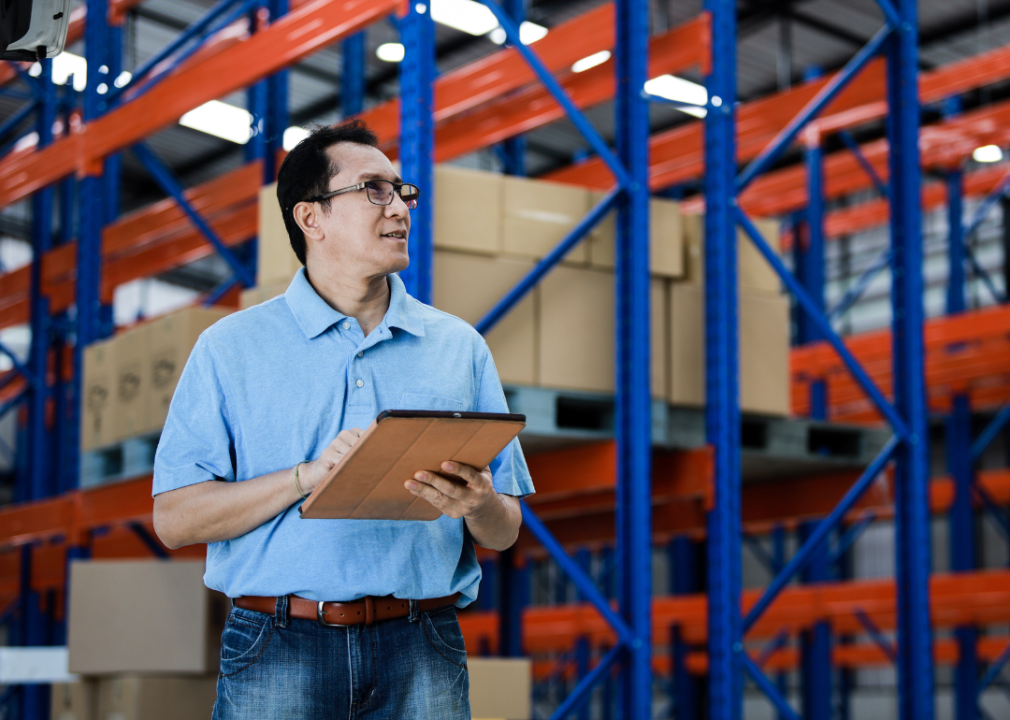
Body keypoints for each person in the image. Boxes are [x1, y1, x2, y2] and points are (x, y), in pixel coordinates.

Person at [151, 119, 534, 719]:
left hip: (423, 643)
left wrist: (480, 502)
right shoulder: (231, 348)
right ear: (312, 219)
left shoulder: (458, 347)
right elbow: (174, 520)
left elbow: (504, 530)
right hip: (277, 644)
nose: (400, 207)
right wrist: (305, 477)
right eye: (374, 190)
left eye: (402, 191)